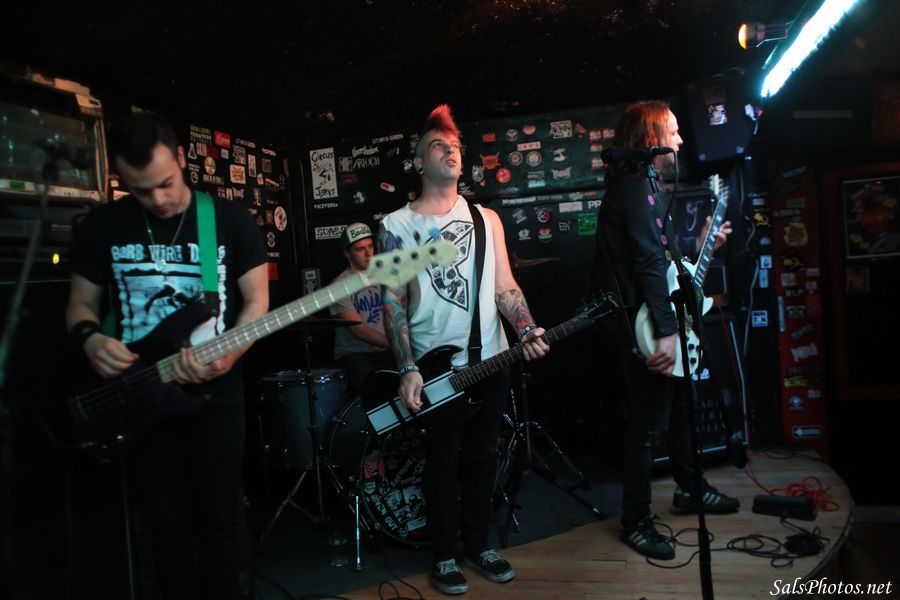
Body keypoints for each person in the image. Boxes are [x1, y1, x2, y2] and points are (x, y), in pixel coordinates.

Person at [65, 112, 268, 599]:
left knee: (223, 519)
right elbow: (79, 306)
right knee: (164, 525)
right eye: (141, 191)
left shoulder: (228, 219)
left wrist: (231, 353)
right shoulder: (102, 225)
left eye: (164, 184)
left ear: (181, 159)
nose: (157, 200)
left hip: (215, 394)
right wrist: (91, 339)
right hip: (137, 394)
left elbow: (257, 303)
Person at [378, 104, 549, 595]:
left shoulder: (485, 219)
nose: (450, 151)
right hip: (435, 372)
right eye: (438, 145)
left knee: (482, 458)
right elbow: (392, 303)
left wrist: (527, 329)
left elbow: (505, 286)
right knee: (441, 464)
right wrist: (407, 367)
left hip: (490, 360)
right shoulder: (395, 225)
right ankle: (444, 554)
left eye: (454, 146)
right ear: (418, 161)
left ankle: (479, 545)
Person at [592, 100, 738, 561]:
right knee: (645, 426)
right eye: (673, 131)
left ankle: (690, 488)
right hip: (644, 326)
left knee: (680, 413)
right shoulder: (635, 187)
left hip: (656, 317)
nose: (680, 139)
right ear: (651, 137)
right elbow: (646, 265)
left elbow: (664, 262)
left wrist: (701, 245)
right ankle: (635, 520)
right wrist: (669, 332)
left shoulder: (649, 187)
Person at [329, 221, 393, 397]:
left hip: (386, 350)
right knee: (373, 388)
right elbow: (360, 330)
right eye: (360, 249)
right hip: (354, 354)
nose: (368, 254)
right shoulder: (339, 286)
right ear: (347, 253)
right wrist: (397, 343)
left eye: (370, 246)